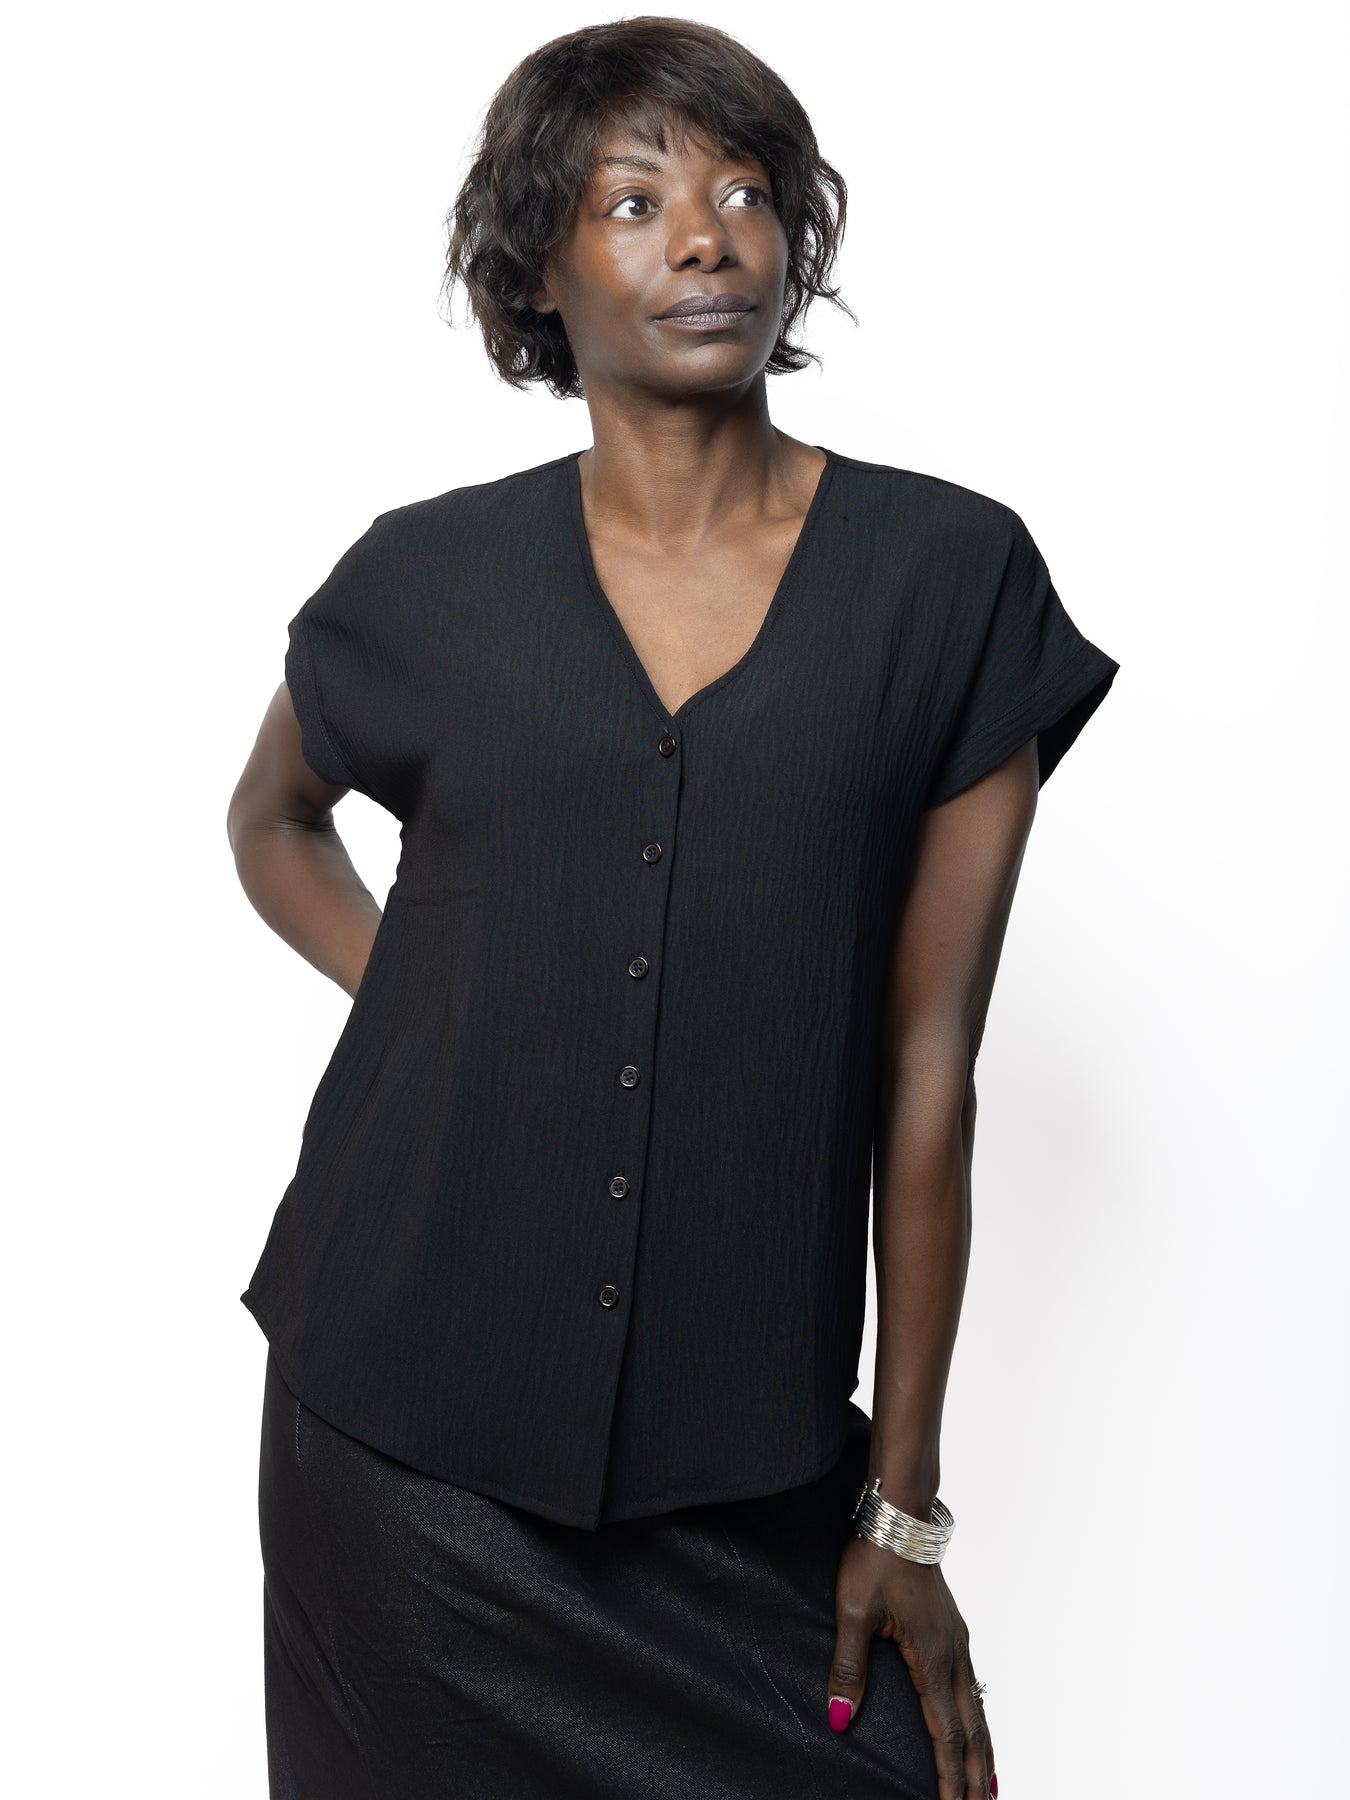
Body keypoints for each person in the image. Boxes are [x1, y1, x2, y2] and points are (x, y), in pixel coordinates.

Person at [227, 18, 1119, 1800]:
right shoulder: (423, 579)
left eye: (742, 191)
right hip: (402, 1441)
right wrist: (435, 999)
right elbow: (272, 822)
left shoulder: (947, 583)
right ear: (536, 276)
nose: (705, 236)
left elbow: (926, 1075)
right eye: (631, 202)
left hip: (748, 1470)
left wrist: (903, 1510)